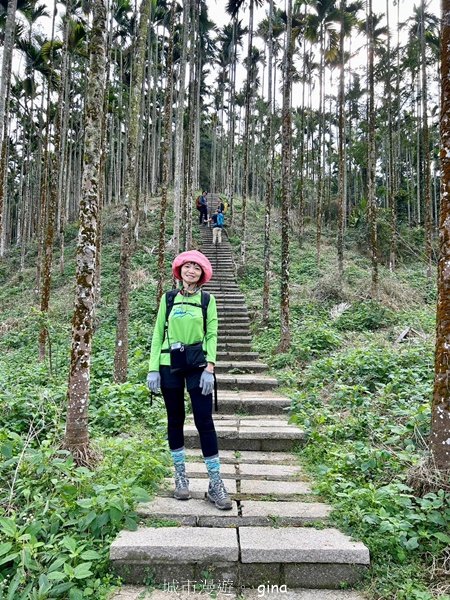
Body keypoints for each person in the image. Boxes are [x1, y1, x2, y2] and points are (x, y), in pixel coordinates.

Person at [146, 250, 232, 510]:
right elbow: (157, 333)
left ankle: (215, 482)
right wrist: (152, 369)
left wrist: (210, 367)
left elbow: (212, 334)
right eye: (187, 266)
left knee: (204, 420)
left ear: (202, 274)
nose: (191, 271)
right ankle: (180, 477)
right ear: (180, 270)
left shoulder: (208, 300)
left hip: (197, 365)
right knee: (175, 420)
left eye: (196, 267)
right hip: (167, 364)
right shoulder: (168, 299)